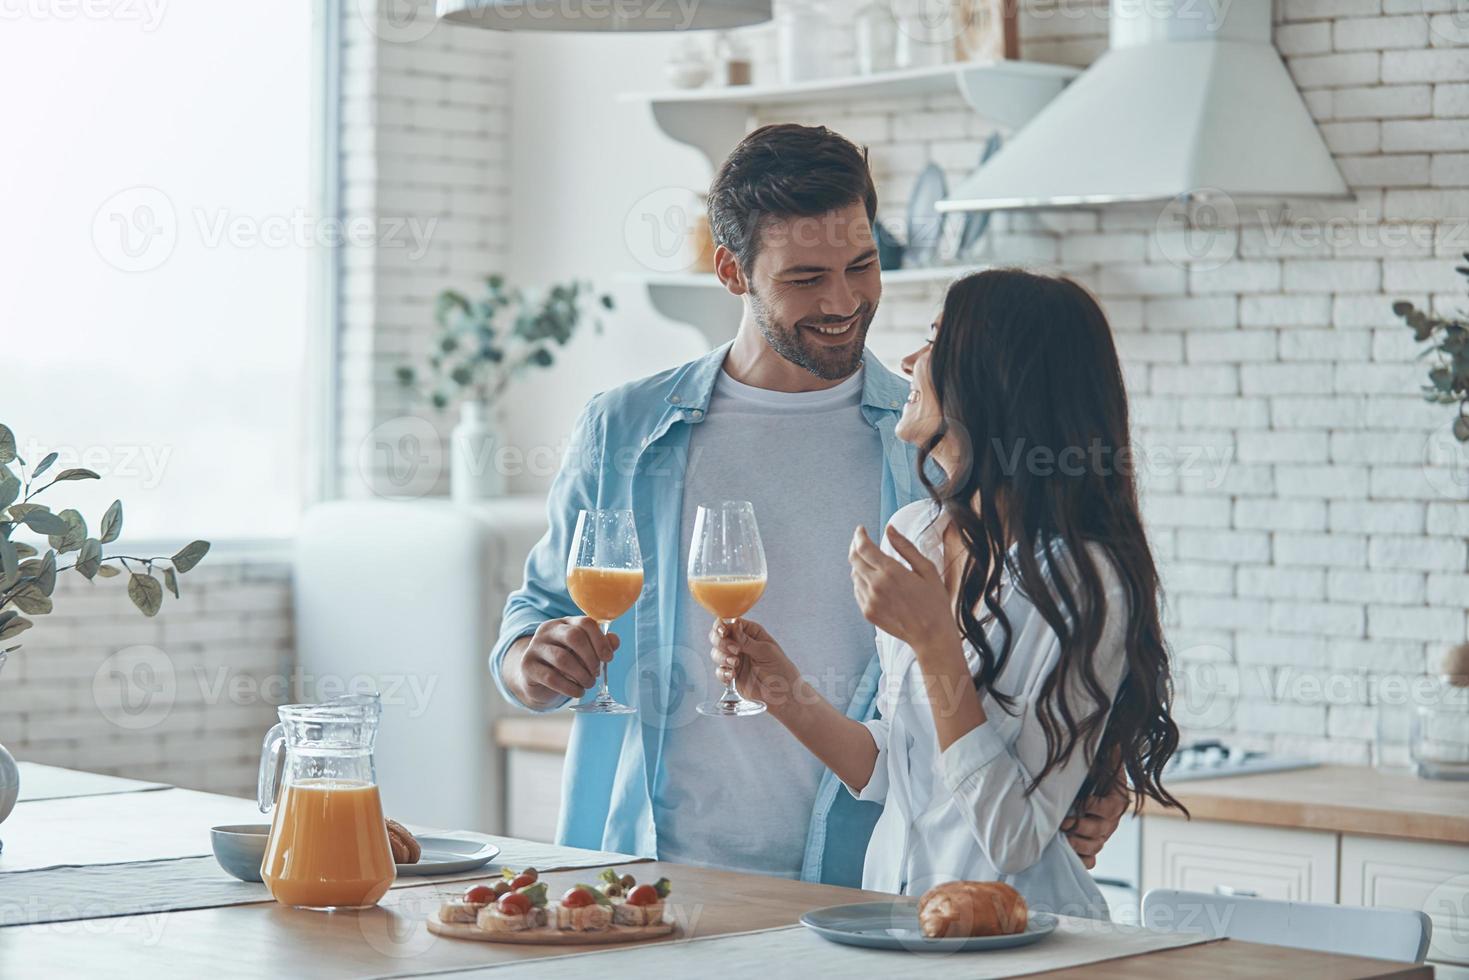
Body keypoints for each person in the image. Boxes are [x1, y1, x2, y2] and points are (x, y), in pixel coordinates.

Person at [489, 124, 1127, 886]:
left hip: (861, 881)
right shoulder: (625, 428)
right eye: (804, 278)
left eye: (862, 265)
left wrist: (1095, 773)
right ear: (732, 272)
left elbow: (1051, 629)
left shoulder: (928, 444)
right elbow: (538, 612)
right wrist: (533, 662)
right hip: (647, 873)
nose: (843, 301)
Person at [708, 268, 1185, 915]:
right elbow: (898, 772)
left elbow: (1014, 838)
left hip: (1021, 940)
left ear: (996, 378)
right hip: (897, 920)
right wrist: (782, 692)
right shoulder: (917, 534)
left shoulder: (1081, 582)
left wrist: (935, 644)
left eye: (935, 340)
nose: (908, 360)